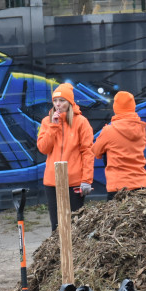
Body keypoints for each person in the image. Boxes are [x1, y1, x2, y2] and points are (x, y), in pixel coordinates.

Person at [37, 82, 95, 231]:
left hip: (74, 182)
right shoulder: (46, 122)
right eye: (55, 101)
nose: (58, 104)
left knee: (75, 225)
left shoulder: (81, 122)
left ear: (69, 102)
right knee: (56, 226)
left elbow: (87, 152)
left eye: (62, 101)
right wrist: (53, 126)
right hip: (52, 181)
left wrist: (86, 180)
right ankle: (58, 255)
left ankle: (75, 254)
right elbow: (43, 148)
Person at [92, 91, 146, 200]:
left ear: (115, 108)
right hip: (140, 184)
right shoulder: (141, 129)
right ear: (133, 107)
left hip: (118, 186)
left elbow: (96, 151)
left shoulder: (108, 130)